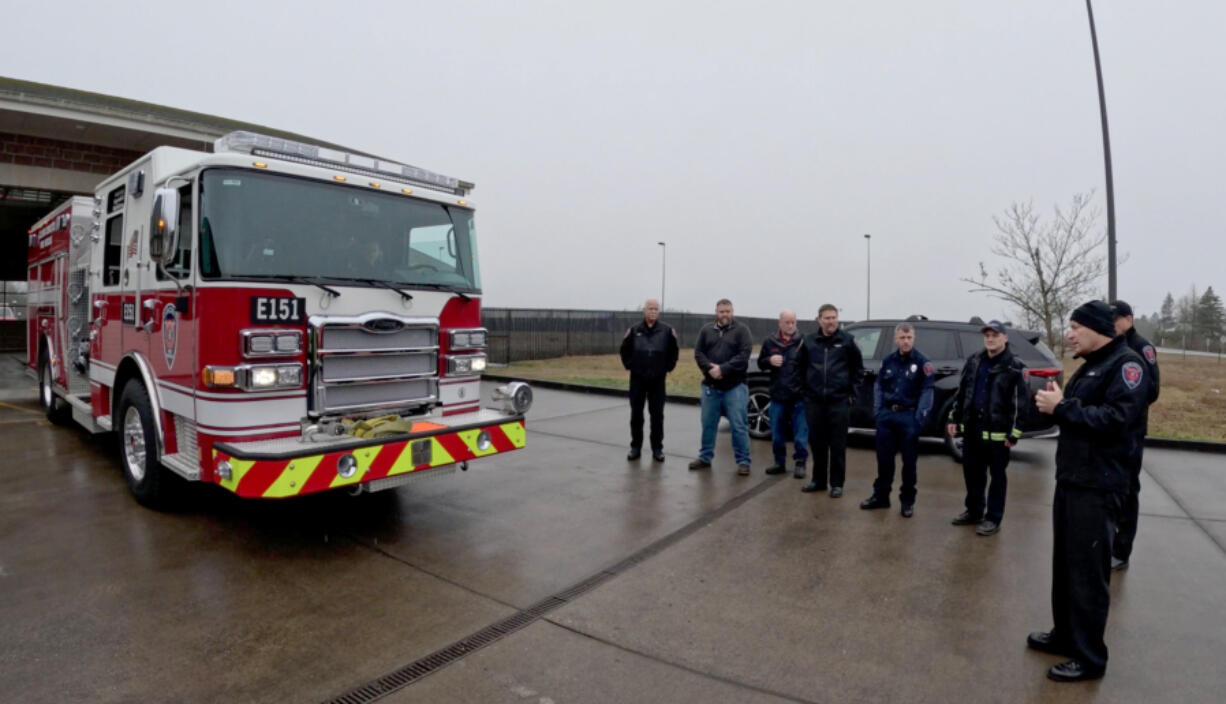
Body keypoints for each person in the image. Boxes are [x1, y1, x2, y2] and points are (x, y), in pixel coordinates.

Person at [1028, 300, 1148, 682]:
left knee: (1087, 574)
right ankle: (1066, 635)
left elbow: (1117, 419)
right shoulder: (1091, 366)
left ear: (1097, 329)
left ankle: (1090, 657)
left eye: (1076, 327)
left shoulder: (1128, 366)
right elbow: (1079, 409)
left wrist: (1063, 407)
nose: (1069, 334)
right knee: (1066, 566)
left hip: (1099, 486)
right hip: (1074, 481)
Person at [946, 320, 1028, 536]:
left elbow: (1021, 404)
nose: (990, 339)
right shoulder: (974, 361)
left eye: (995, 335)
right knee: (972, 474)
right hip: (973, 430)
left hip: (999, 435)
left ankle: (993, 518)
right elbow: (961, 392)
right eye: (987, 335)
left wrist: (1015, 433)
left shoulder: (1015, 367)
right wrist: (953, 418)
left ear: (1005, 338)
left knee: (997, 478)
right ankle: (973, 511)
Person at [861, 322, 934, 517]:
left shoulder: (922, 363)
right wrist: (878, 412)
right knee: (884, 461)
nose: (906, 341)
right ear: (896, 339)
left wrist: (919, 418)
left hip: (909, 417)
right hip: (887, 416)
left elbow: (927, 391)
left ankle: (907, 501)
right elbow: (878, 386)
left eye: (909, 337)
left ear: (914, 338)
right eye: (902, 337)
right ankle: (881, 497)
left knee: (909, 463)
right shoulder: (888, 361)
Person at [1109, 300, 1160, 571]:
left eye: (1115, 318)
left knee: (1128, 490)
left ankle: (1121, 550)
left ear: (1128, 319)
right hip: (1112, 430)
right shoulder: (1112, 344)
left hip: (1131, 431)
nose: (1111, 322)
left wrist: (1126, 407)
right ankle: (1108, 542)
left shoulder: (1141, 347)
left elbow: (1151, 389)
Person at [795, 304, 864, 496]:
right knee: (817, 444)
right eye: (827, 318)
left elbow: (858, 370)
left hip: (839, 402)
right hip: (814, 402)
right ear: (819, 319)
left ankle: (836, 483)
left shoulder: (848, 341)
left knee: (837, 445)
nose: (831, 321)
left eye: (834, 317)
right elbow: (798, 368)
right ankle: (818, 481)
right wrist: (804, 393)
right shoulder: (808, 341)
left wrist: (852, 394)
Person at [689, 299, 754, 475]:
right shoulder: (706, 330)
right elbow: (698, 353)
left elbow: (744, 355)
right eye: (721, 311)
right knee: (708, 424)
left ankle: (743, 461)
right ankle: (705, 458)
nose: (725, 314)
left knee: (738, 425)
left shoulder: (742, 330)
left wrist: (723, 369)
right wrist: (710, 369)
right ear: (716, 312)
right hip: (711, 387)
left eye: (728, 311)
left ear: (732, 312)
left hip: (735, 387)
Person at [620, 298, 679, 462]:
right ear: (644, 311)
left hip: (657, 381)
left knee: (657, 416)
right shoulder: (634, 330)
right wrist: (631, 366)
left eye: (656, 309)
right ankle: (635, 447)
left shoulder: (667, 331)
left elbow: (674, 352)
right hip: (638, 380)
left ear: (658, 311)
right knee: (636, 415)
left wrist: (667, 368)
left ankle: (657, 448)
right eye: (650, 308)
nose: (653, 311)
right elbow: (624, 351)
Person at [757, 310, 808, 477]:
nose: (790, 325)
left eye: (793, 322)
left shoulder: (803, 342)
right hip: (778, 396)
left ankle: (800, 463)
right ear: (780, 323)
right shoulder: (770, 342)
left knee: (800, 435)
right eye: (787, 322)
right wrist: (769, 361)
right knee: (777, 434)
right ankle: (779, 463)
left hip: (798, 397)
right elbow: (760, 364)